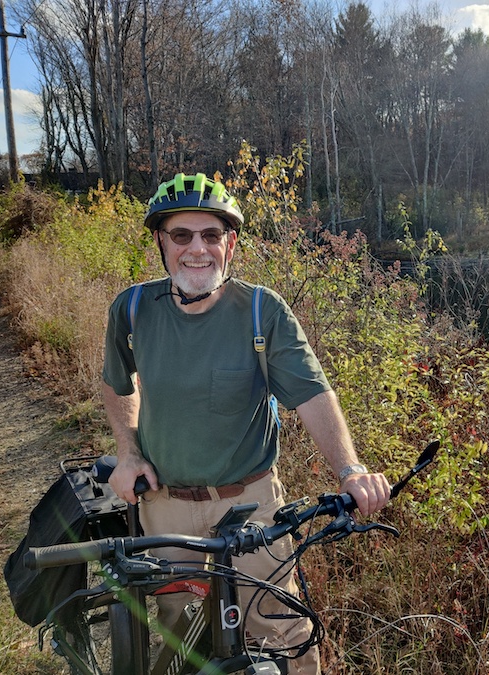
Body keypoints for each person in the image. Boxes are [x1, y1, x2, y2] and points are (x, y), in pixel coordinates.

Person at [102, 172, 391, 674]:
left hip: (248, 508)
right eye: (182, 235)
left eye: (211, 235)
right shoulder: (131, 309)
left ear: (230, 244)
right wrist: (128, 453)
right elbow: (116, 382)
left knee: (280, 634)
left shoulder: (261, 312)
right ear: (161, 242)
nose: (198, 249)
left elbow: (312, 394)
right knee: (179, 635)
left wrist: (350, 469)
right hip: (164, 508)